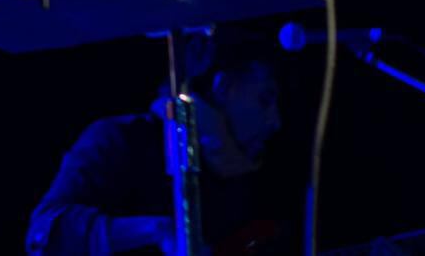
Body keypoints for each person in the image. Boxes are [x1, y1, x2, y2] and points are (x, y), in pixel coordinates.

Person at [26, 37, 297, 255]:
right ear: (224, 86)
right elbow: (43, 234)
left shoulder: (238, 182)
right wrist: (158, 230)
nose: (276, 121)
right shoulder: (120, 138)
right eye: (264, 99)